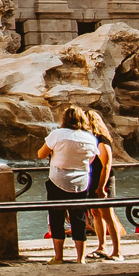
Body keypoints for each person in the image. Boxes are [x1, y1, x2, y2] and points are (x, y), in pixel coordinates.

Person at [38, 103, 98, 264]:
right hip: (81, 182)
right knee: (78, 218)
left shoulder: (57, 134)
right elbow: (91, 159)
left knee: (56, 217)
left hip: (58, 180)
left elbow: (41, 154)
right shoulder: (89, 138)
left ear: (64, 119)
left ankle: (58, 257)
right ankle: (80, 258)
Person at [87, 110, 125, 261]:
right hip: (92, 179)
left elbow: (107, 165)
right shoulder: (93, 140)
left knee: (108, 215)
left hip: (103, 181)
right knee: (96, 213)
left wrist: (101, 187)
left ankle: (117, 251)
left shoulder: (102, 140)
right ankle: (101, 246)